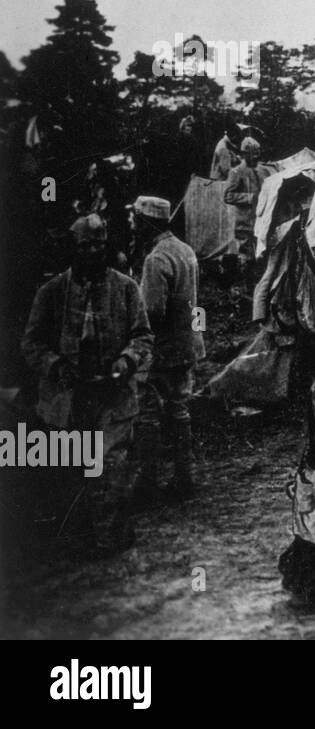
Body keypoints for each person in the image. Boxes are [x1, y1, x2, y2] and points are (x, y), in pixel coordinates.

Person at [21, 214, 153, 555]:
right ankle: (81, 540)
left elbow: (143, 336)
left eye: (99, 244)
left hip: (114, 396)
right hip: (70, 398)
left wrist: (126, 361)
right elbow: (31, 344)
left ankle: (112, 541)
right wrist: (57, 366)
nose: (93, 252)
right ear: (73, 249)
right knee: (74, 470)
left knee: (112, 467)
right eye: (85, 246)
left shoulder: (126, 288)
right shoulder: (51, 293)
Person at [133, 196, 205, 501]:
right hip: (188, 343)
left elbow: (153, 311)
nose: (134, 225)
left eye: (136, 220)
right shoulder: (184, 249)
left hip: (162, 348)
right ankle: (183, 477)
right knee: (179, 407)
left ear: (146, 223)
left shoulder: (156, 258)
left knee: (147, 412)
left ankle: (147, 482)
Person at [223, 137, 273, 266]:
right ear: (245, 154)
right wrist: (249, 198)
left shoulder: (264, 171)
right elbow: (228, 196)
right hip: (244, 222)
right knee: (246, 256)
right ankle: (246, 281)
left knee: (261, 253)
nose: (255, 157)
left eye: (257, 153)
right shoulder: (236, 172)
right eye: (252, 154)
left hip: (261, 219)